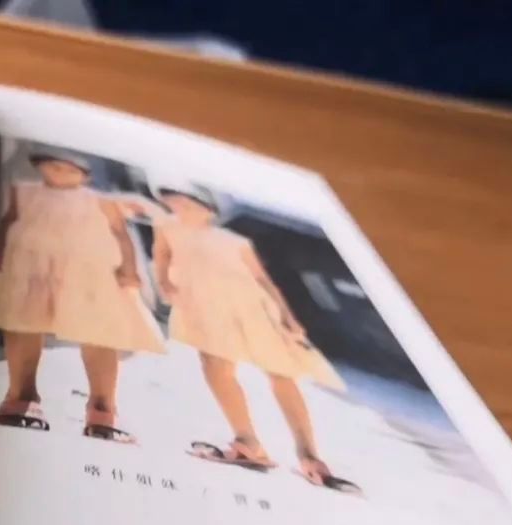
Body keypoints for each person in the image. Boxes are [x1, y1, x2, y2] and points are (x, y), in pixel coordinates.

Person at [152, 186, 359, 492]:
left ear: (208, 210)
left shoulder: (234, 242)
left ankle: (309, 456)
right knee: (215, 367)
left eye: (186, 202)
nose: (178, 206)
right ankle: (247, 442)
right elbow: (161, 257)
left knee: (280, 373)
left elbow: (263, 280)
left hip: (251, 308)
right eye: (173, 201)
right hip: (205, 307)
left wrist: (288, 318)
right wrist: (165, 286)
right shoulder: (165, 227)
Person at [0, 147, 164, 443]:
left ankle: (102, 409)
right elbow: (11, 217)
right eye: (52, 166)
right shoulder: (25, 188)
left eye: (69, 169)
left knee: (98, 332)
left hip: (88, 265)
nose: (59, 173)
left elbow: (119, 231)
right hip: (32, 262)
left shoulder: (99, 197)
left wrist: (129, 267)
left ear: (87, 173)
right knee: (22, 322)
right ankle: (22, 396)